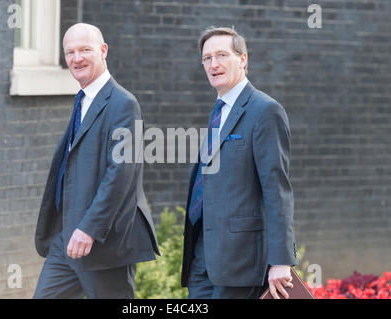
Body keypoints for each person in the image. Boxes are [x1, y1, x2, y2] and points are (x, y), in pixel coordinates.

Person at [33, 23, 159, 299]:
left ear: (103, 51)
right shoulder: (82, 100)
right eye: (70, 52)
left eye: (85, 50)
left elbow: (121, 174)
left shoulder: (123, 104)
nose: (76, 58)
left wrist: (89, 229)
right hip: (66, 240)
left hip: (103, 245)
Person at [181, 26, 298, 299]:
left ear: (243, 59)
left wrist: (281, 260)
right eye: (207, 58)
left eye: (222, 55)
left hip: (241, 259)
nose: (214, 64)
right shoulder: (219, 111)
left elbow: (276, 188)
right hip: (203, 254)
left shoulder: (264, 111)